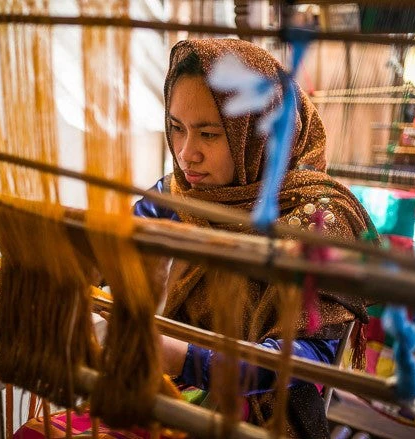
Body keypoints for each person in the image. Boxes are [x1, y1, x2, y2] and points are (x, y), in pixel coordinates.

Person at [134, 39, 378, 438]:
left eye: (209, 134)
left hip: (266, 414)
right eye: (176, 129)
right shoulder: (177, 196)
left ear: (257, 134)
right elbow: (114, 253)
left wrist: (187, 358)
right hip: (169, 389)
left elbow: (309, 357)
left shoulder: (318, 222)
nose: (185, 154)